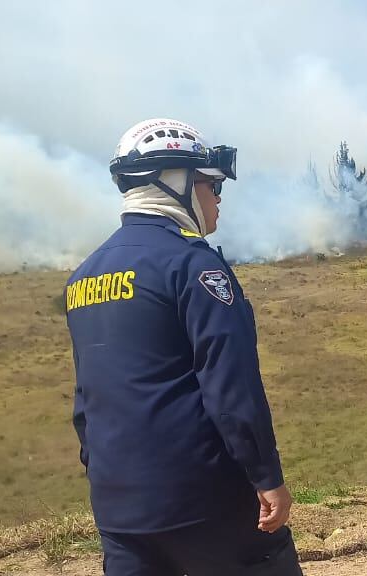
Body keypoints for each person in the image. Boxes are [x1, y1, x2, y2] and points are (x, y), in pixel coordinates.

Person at [65, 118, 302, 575]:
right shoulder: (193, 266)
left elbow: (86, 402)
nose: (217, 200)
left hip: (118, 508)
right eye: (211, 185)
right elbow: (232, 388)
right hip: (202, 499)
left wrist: (106, 480)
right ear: (177, 182)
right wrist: (266, 477)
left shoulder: (83, 278)